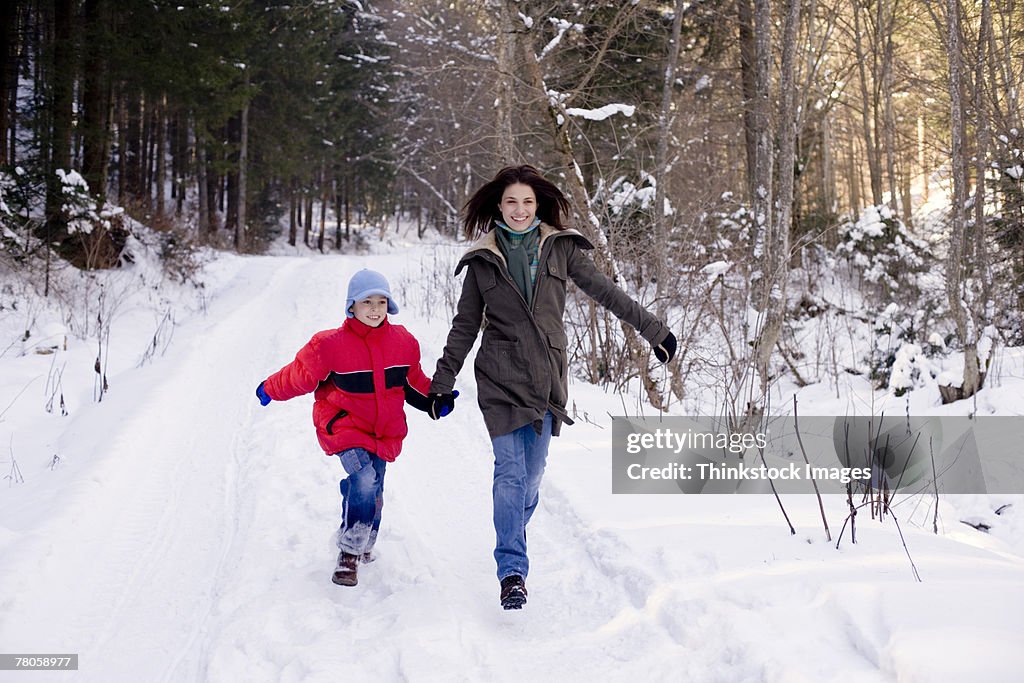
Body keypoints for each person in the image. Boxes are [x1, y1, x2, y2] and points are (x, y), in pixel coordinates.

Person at [430, 165, 676, 610]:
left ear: (538, 205)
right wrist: (442, 382)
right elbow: (465, 326)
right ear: (499, 207)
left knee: (531, 478)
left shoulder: (561, 249)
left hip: (546, 379)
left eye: (527, 201)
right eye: (511, 202)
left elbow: (607, 292)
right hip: (500, 377)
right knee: (509, 472)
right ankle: (512, 571)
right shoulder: (483, 261)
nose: (519, 209)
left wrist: (654, 330)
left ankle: (512, 533)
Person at [256, 269, 458, 586]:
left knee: (372, 490)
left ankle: (366, 543)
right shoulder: (329, 346)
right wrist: (270, 388)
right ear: (352, 306)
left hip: (384, 431)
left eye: (381, 302)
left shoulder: (402, 342)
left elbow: (412, 382)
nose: (375, 309)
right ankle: (349, 554)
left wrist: (435, 399)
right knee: (364, 480)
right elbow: (298, 375)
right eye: (367, 302)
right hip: (345, 429)